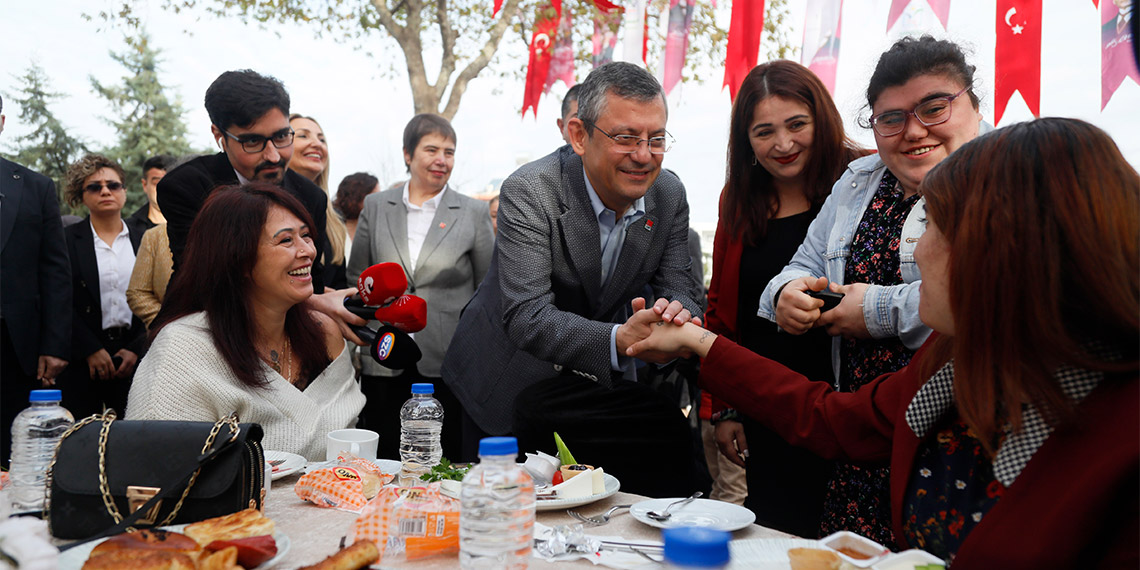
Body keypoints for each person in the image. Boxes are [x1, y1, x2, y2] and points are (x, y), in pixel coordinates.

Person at [629, 117, 1139, 566]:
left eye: (932, 226)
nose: (913, 250)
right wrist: (699, 342)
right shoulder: (956, 361)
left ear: (1004, 252)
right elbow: (831, 418)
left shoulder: (1120, 435)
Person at [755, 36, 984, 543]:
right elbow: (801, 264)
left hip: (955, 434)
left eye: (934, 108)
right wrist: (787, 294)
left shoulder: (1004, 178)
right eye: (891, 119)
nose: (914, 131)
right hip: (856, 432)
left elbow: (983, 295)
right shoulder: (858, 180)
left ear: (973, 102)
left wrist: (875, 310)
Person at [441, 62, 704, 497]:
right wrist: (619, 340)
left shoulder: (668, 194)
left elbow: (681, 287)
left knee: (589, 508)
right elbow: (527, 315)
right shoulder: (532, 189)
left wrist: (673, 318)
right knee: (498, 508)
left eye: (656, 139)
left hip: (586, 391)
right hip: (503, 374)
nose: (643, 155)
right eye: (626, 138)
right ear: (579, 136)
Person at [704, 60, 869, 536]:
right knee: (775, 534)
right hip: (767, 406)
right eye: (764, 132)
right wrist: (726, 408)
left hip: (849, 404)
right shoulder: (738, 197)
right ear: (746, 141)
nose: (783, 143)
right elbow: (723, 309)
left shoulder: (862, 181)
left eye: (797, 124)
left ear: (823, 119)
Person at [127, 184, 365, 460]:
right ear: (238, 258)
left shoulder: (324, 334)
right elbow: (154, 462)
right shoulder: (183, 349)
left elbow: (351, 448)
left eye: (306, 236)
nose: (307, 251)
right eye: (286, 240)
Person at [156, 70, 363, 341]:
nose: (273, 155)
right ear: (219, 135)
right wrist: (315, 302)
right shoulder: (187, 186)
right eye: (253, 141)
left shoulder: (311, 196)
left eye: (282, 136)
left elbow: (310, 278)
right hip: (201, 332)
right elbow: (209, 278)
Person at [348, 113, 494, 461]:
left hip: (446, 359)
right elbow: (357, 280)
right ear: (408, 154)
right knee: (384, 455)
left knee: (444, 457)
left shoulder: (473, 212)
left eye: (449, 152)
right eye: (431, 150)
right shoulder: (376, 206)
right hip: (383, 352)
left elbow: (487, 290)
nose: (441, 159)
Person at [0, 94, 72, 468]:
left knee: (14, 455)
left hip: (15, 346)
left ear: (1, 122)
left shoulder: (34, 186)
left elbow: (55, 271)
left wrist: (55, 344)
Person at [58, 154, 147, 419]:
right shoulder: (65, 240)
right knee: (80, 434)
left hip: (135, 355)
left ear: (124, 191)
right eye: (95, 187)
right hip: (81, 358)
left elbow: (159, 297)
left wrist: (136, 348)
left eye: (113, 185)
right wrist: (90, 349)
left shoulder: (145, 238)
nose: (105, 191)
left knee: (136, 434)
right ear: (81, 196)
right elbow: (59, 299)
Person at [288, 113, 349, 290]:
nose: (317, 144)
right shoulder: (265, 206)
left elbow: (339, 283)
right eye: (303, 136)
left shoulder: (335, 219)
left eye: (322, 139)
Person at [332, 172, 380, 255]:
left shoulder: (377, 234)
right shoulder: (332, 231)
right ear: (357, 196)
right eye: (374, 196)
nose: (379, 202)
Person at [127, 155, 174, 231]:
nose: (164, 189)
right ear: (145, 185)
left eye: (170, 183)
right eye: (157, 183)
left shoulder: (191, 226)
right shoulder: (129, 230)